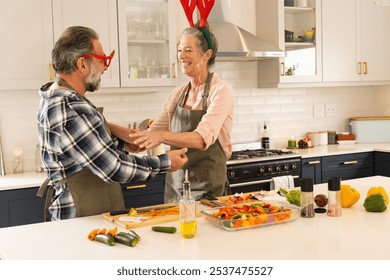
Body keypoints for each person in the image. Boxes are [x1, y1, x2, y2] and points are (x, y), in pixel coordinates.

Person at [36, 26, 188, 221]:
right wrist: (165, 162)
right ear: (82, 64)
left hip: (90, 211)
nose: (105, 67)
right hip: (80, 216)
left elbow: (86, 147)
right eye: (103, 60)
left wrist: (123, 144)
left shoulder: (61, 96)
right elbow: (113, 168)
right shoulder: (68, 108)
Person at [114, 21, 234, 202]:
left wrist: (161, 136)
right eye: (179, 50)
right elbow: (147, 137)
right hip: (175, 188)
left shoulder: (221, 91)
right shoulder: (177, 95)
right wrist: (105, 125)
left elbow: (201, 139)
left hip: (208, 189)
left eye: (188, 50)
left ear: (206, 55)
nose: (181, 56)